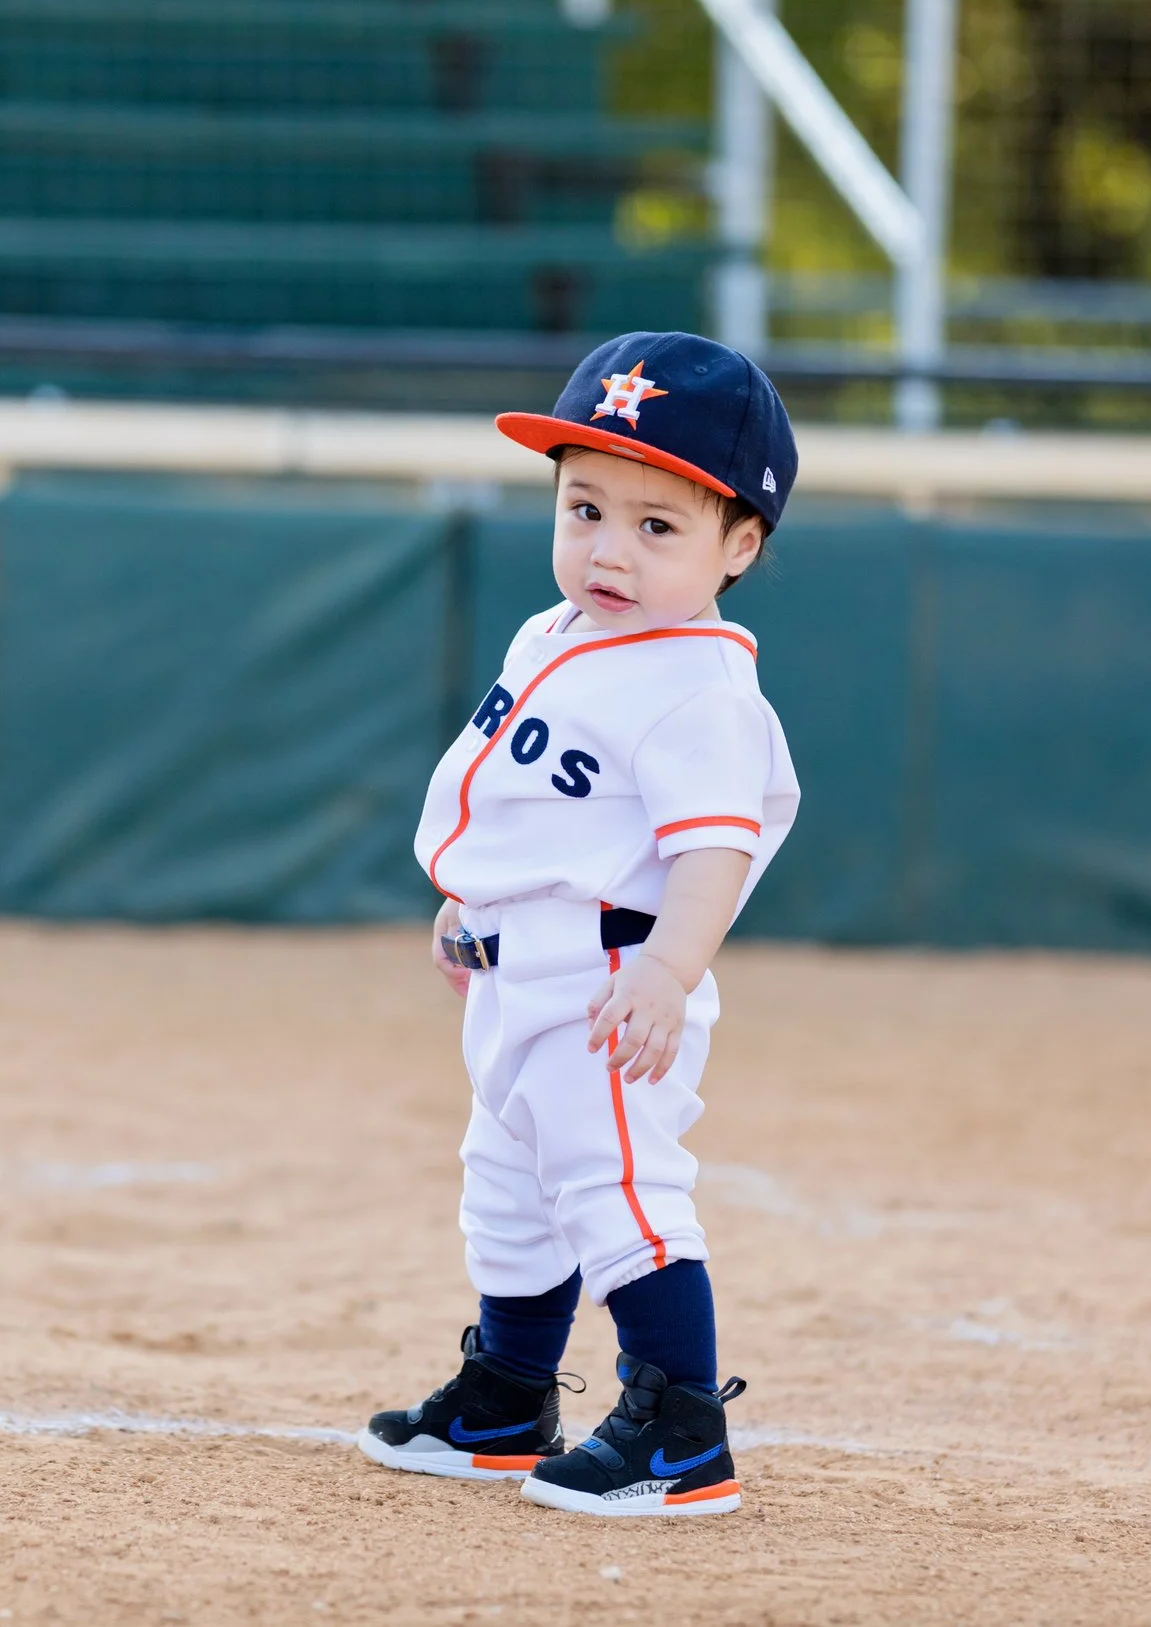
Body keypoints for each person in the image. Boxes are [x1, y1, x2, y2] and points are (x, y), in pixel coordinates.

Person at [358, 331, 802, 1518]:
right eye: (585, 506)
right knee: (507, 1188)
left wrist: (667, 970)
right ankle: (507, 1396)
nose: (609, 548)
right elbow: (520, 807)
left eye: (658, 526)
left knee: (616, 1188)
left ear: (739, 545)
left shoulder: (696, 683)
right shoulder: (551, 633)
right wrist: (470, 904)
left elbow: (718, 846)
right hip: (523, 971)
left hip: (610, 982)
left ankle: (680, 1430)